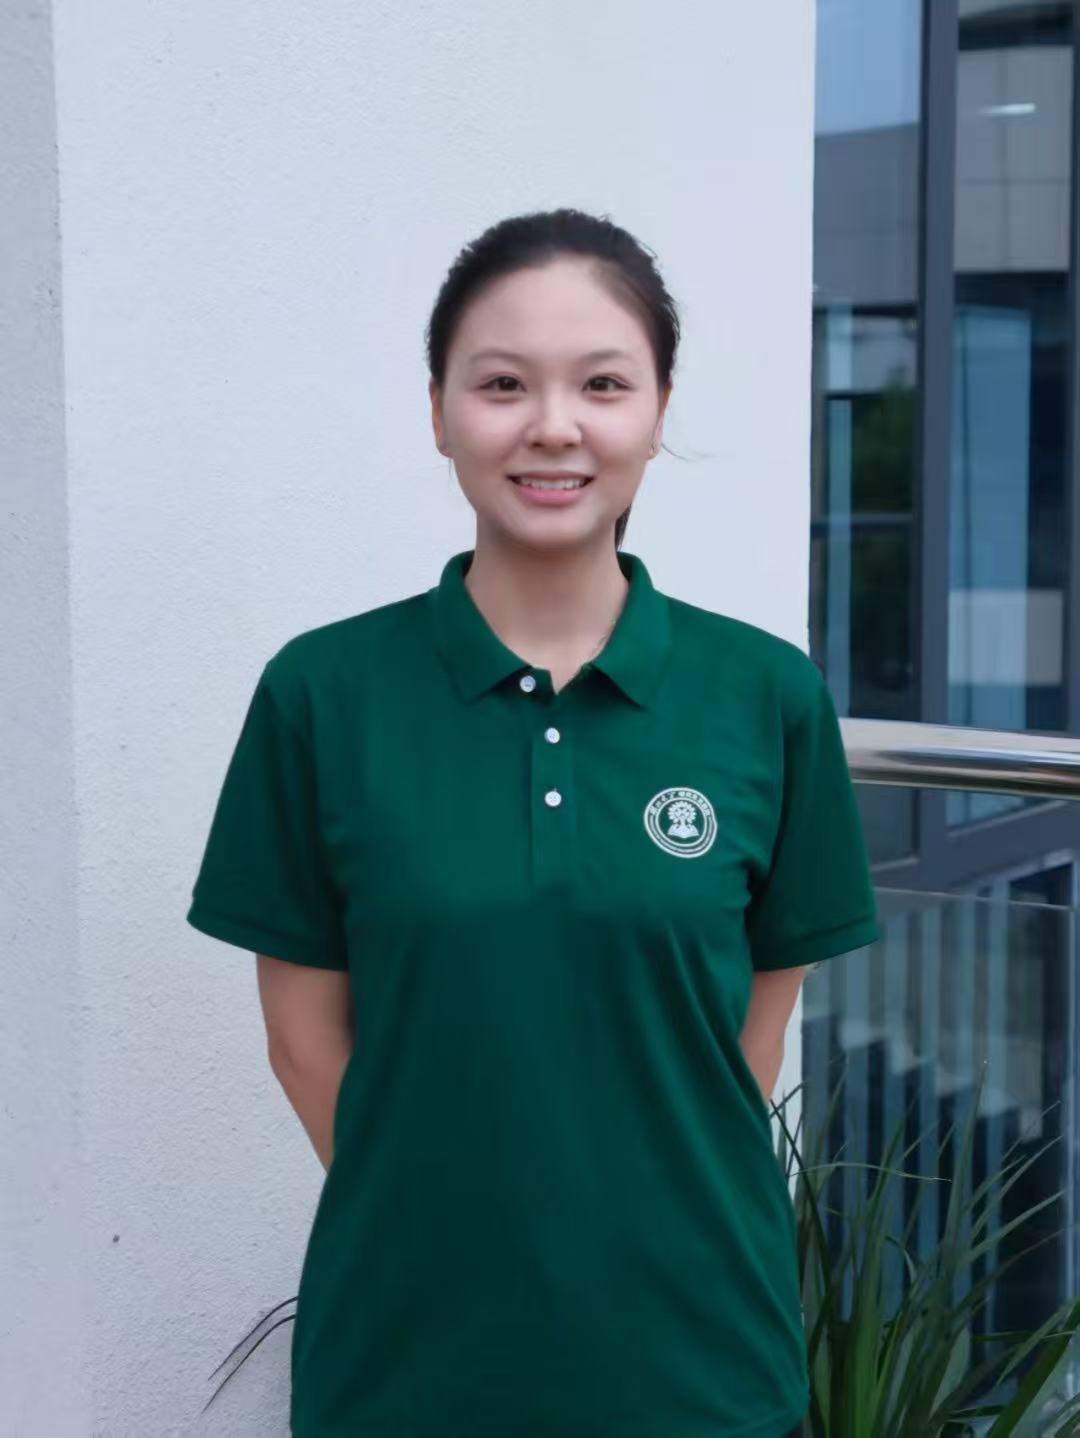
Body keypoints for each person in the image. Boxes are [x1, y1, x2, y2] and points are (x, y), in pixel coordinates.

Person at [186, 207, 879, 1438]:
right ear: (439, 410)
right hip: (408, 1367)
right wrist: (456, 1224)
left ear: (657, 412)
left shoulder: (766, 695)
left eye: (602, 384)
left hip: (701, 1365)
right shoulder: (322, 694)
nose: (554, 425)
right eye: (503, 383)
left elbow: (752, 1034)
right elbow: (303, 1041)